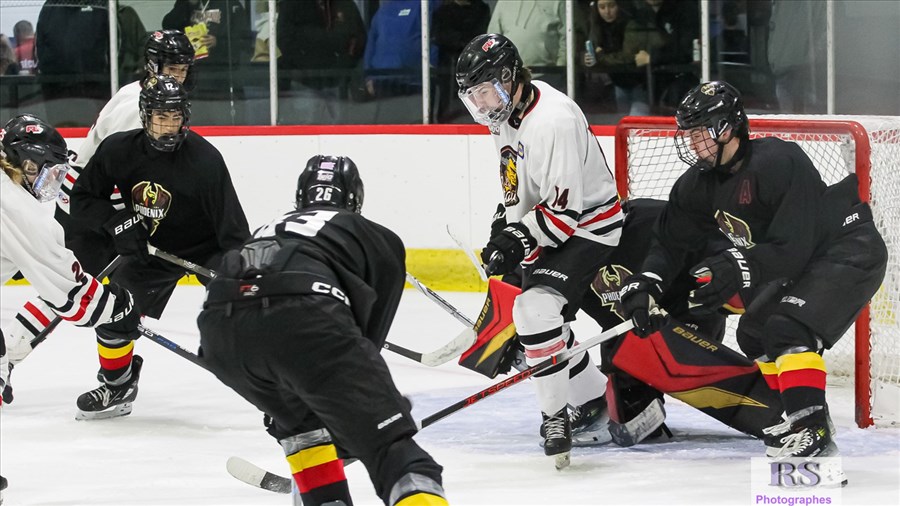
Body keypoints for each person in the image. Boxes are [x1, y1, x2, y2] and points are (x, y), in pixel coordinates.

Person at [619, 81, 887, 482]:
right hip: (804, 262)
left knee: (787, 328)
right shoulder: (697, 185)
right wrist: (646, 283)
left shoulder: (778, 161)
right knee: (755, 333)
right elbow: (670, 243)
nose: (691, 143)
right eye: (688, 134)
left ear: (727, 128)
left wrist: (736, 265)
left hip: (848, 249)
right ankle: (799, 422)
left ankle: (812, 432)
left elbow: (795, 247)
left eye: (699, 132)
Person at [198, 155, 448, 506]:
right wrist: (366, 410)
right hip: (303, 319)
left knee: (303, 429)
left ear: (300, 198)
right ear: (355, 199)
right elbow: (365, 341)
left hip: (220, 334)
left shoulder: (270, 226)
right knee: (395, 455)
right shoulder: (377, 236)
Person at [456, 33, 624, 468]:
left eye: (484, 91)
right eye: (472, 96)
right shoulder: (504, 114)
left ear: (508, 78)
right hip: (550, 224)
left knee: (533, 313)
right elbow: (520, 184)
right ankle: (595, 400)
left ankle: (555, 418)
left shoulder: (552, 120)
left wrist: (517, 240)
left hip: (590, 227)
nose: (480, 104)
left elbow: (564, 213)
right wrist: (506, 223)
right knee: (532, 332)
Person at [1, 31, 197, 382]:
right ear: (152, 64)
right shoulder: (137, 107)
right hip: (88, 204)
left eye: (183, 69)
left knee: (71, 283)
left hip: (92, 201)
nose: (178, 77)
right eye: (172, 68)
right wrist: (123, 219)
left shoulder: (143, 96)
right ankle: (15, 356)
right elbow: (113, 170)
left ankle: (19, 357)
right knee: (68, 283)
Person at [67, 76, 250, 420]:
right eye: (160, 117)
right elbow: (82, 199)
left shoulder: (205, 160)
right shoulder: (118, 149)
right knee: (114, 310)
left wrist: (237, 278)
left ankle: (276, 380)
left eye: (175, 117)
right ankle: (118, 385)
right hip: (149, 249)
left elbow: (234, 231)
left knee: (243, 309)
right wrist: (116, 222)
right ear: (145, 116)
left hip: (205, 249)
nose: (168, 126)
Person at [0, 114, 141, 494]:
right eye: (47, 172)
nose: (51, 183)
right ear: (28, 164)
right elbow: (71, 295)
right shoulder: (15, 206)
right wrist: (119, 308)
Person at [431, 0, 491, 122]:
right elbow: (440, 36)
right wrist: (462, 42)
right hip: (448, 68)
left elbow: (481, 35)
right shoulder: (442, 11)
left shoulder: (482, 9)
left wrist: (464, 44)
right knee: (447, 107)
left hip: (475, 67)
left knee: (476, 103)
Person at [582, 0, 646, 114]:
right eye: (602, 7)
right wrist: (586, 58)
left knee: (636, 120)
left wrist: (600, 58)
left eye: (611, 6)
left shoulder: (631, 24)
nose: (607, 11)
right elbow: (589, 51)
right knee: (622, 120)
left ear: (619, 5)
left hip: (640, 83)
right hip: (617, 83)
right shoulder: (596, 26)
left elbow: (628, 56)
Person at [487, 0, 567, 89]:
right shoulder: (503, 2)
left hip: (548, 76)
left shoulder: (559, 2)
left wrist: (560, 70)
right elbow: (493, 38)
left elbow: (567, 36)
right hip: (510, 78)